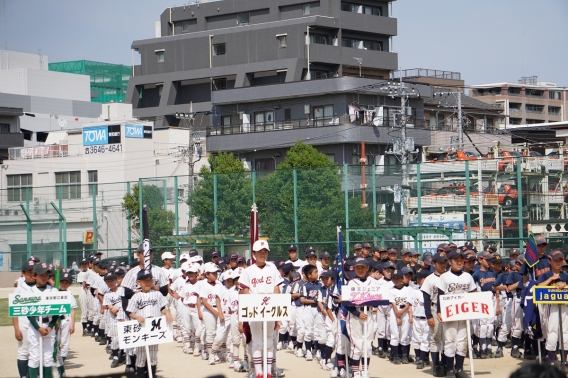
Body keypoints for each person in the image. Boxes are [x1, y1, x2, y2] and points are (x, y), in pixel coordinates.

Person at [239, 240, 283, 378]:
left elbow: (277, 288)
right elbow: (244, 290)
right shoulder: (248, 271)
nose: (263, 254)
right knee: (257, 341)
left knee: (270, 340)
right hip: (255, 309)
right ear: (254, 254)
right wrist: (253, 304)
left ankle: (268, 372)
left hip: (269, 308)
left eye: (265, 252)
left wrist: (275, 307)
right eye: (260, 252)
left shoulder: (273, 268)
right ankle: (258, 372)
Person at [126, 269, 173, 378]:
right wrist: (137, 317)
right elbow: (129, 312)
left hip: (154, 329)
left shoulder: (157, 294)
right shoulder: (136, 296)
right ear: (138, 282)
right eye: (145, 281)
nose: (148, 283)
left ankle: (152, 375)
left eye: (150, 280)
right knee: (141, 356)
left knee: (153, 355)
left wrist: (167, 314)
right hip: (141, 329)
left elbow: (162, 308)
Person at [437, 250, 476, 378]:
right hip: (450, 313)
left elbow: (474, 293)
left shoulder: (468, 276)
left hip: (464, 314)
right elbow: (440, 295)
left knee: (462, 341)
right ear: (450, 261)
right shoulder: (444, 277)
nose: (459, 262)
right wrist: (439, 311)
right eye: (456, 260)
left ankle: (459, 369)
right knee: (450, 340)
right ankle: (450, 370)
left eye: (461, 260)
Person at [343, 257, 376, 378]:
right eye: (358, 267)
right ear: (354, 269)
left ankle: (365, 371)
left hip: (369, 314)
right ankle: (356, 372)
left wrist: (374, 303)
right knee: (357, 345)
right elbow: (347, 303)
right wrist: (358, 314)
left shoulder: (373, 282)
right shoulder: (351, 283)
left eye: (363, 267)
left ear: (367, 268)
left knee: (367, 345)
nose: (360, 269)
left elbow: (379, 299)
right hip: (355, 315)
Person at [27, 263, 60, 378]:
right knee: (34, 357)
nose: (45, 277)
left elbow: (57, 312)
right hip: (34, 326)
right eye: (41, 274)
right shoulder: (30, 292)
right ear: (34, 276)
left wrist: (50, 326)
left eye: (47, 274)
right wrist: (38, 328)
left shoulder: (54, 291)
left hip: (48, 325)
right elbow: (28, 313)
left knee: (47, 357)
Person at [537, 249, 568, 366]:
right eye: (556, 260)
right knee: (552, 334)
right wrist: (551, 280)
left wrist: (564, 285)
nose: (558, 263)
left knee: (565, 334)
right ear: (550, 261)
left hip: (565, 306)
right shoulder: (545, 275)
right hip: (550, 307)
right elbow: (538, 286)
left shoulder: (565, 275)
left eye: (560, 260)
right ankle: (551, 362)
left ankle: (564, 361)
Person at [12, 258, 36, 378]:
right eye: (29, 271)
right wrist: (16, 328)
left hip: (39, 325)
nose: (32, 274)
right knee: (23, 352)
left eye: (34, 271)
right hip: (24, 324)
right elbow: (14, 311)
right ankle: (23, 376)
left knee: (37, 353)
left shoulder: (43, 286)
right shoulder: (19, 290)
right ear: (23, 274)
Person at [197, 262, 223, 364]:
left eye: (216, 273)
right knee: (210, 333)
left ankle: (215, 352)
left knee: (219, 333)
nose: (215, 275)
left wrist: (219, 312)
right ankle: (211, 355)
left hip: (219, 309)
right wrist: (214, 312)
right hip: (208, 310)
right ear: (207, 274)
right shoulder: (204, 285)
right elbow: (203, 301)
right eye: (213, 273)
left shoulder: (220, 284)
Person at [389, 268, 413, 364]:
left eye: (398, 278)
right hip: (395, 312)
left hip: (405, 311)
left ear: (402, 278)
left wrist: (402, 312)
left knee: (405, 334)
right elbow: (393, 304)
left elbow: (408, 304)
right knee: (395, 334)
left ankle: (404, 356)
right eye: (394, 278)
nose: (396, 280)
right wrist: (397, 316)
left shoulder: (408, 289)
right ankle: (396, 356)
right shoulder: (391, 290)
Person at [57, 272, 78, 377]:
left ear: (69, 284)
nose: (64, 284)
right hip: (56, 322)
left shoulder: (69, 294)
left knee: (64, 345)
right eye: (62, 282)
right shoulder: (54, 292)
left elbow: (73, 310)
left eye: (66, 282)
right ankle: (59, 368)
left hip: (66, 321)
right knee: (56, 344)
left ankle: (60, 367)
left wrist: (72, 325)